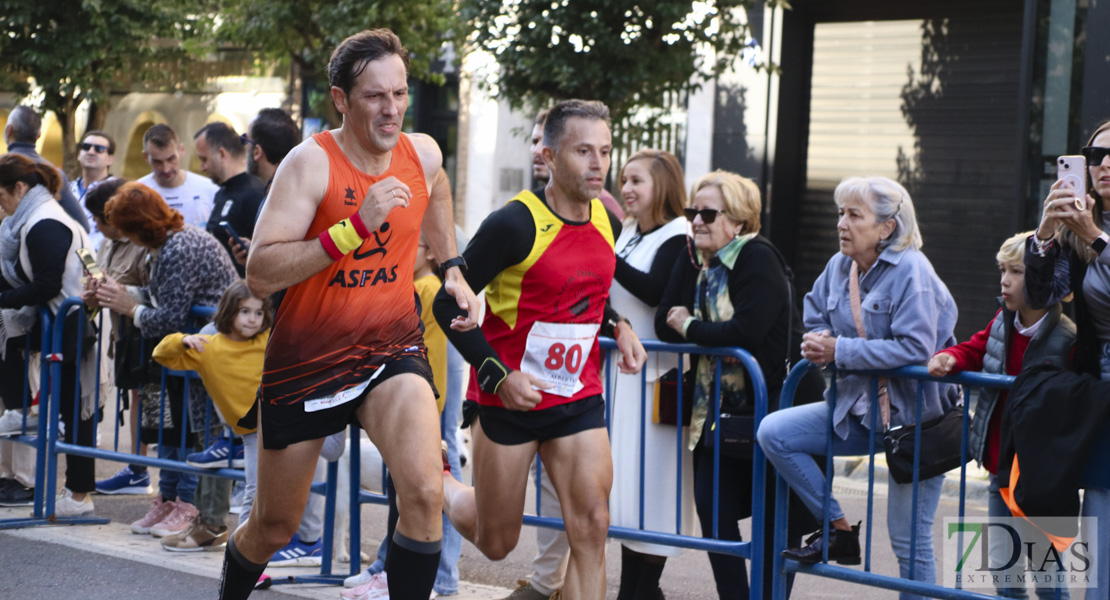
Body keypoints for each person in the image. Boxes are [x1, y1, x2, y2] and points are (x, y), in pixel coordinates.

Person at [218, 29, 477, 600]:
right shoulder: (309, 164)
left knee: (425, 494)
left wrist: (454, 265)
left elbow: (434, 189)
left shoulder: (421, 152)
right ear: (340, 99)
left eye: (400, 94)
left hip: (391, 345)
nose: (392, 110)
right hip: (307, 359)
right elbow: (260, 272)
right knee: (275, 526)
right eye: (375, 97)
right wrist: (353, 227)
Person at [435, 99, 647, 600]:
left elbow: (585, 293)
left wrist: (620, 325)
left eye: (605, 151)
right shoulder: (514, 224)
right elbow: (449, 307)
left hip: (576, 398)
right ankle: (441, 481)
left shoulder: (607, 223)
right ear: (549, 156)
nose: (598, 164)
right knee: (496, 541)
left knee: (593, 525)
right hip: (511, 401)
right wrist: (497, 376)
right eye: (583, 151)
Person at [757, 176, 958, 600]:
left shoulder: (913, 271)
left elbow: (914, 348)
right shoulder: (838, 265)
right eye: (840, 214)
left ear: (886, 227)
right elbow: (813, 314)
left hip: (917, 422)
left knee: (909, 541)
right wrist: (817, 340)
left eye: (854, 215)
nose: (841, 224)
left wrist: (839, 349)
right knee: (774, 432)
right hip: (856, 410)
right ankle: (837, 530)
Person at [655, 170, 820, 600]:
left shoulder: (756, 257)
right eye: (693, 211)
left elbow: (745, 330)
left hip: (772, 417)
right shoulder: (702, 260)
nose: (696, 221)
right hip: (716, 418)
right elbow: (663, 322)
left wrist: (693, 326)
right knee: (715, 520)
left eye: (709, 213)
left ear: (740, 221)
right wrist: (705, 329)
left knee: (773, 526)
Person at [928, 231, 1075, 599]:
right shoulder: (1002, 321)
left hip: (1040, 479)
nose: (1004, 280)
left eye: (1016, 272)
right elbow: (976, 348)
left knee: (1047, 578)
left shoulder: (1068, 337)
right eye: (1002, 270)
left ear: (1043, 277)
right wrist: (951, 357)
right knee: (1002, 572)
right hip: (1000, 467)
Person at [88, 182, 238, 539]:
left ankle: (204, 518)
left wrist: (130, 306)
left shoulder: (179, 247)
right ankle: (171, 500)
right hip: (181, 354)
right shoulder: (167, 243)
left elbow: (170, 315)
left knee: (204, 438)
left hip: (206, 354)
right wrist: (125, 294)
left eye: (127, 231)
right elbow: (165, 297)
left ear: (140, 228)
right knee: (169, 429)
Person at [344, 212, 465, 599]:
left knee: (427, 487)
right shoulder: (414, 286)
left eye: (409, 244)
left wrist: (431, 404)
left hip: (428, 402)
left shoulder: (430, 289)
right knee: (404, 486)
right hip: (417, 401)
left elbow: (435, 354)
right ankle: (390, 566)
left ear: (430, 252)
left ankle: (438, 576)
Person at [1024, 119, 1110, 600]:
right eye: (1096, 155)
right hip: (1100, 386)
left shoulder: (1091, 231)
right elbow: (1038, 300)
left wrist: (1096, 236)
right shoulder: (1077, 229)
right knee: (1100, 511)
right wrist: (1046, 232)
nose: (1105, 164)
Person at [608, 149, 693, 600]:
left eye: (636, 180)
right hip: (622, 376)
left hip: (657, 379)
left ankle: (643, 590)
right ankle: (635, 591)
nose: (627, 189)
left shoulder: (679, 236)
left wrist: (605, 255)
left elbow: (656, 291)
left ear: (661, 184)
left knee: (653, 488)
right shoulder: (627, 233)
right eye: (624, 180)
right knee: (626, 492)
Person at [0, 153, 96, 516]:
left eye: (2, 195)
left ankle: (78, 496)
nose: (0, 204)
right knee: (6, 335)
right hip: (57, 321)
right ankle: (25, 407)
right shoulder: (30, 219)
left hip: (73, 323)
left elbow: (45, 283)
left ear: (20, 187)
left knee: (78, 410)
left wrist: (3, 300)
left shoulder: (45, 222)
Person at [150, 280, 272, 552]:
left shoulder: (268, 338)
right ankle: (244, 553)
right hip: (252, 433)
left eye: (259, 312)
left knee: (289, 490)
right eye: (245, 311)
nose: (253, 319)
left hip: (283, 423)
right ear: (229, 311)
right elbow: (161, 354)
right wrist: (182, 339)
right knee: (254, 492)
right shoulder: (209, 346)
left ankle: (280, 547)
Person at [82, 179, 156, 496]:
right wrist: (92, 292)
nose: (97, 226)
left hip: (147, 337)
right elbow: (102, 285)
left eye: (100, 219)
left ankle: (152, 476)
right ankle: (137, 469)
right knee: (138, 399)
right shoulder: (107, 243)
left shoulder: (144, 242)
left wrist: (121, 293)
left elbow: (155, 293)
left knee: (156, 405)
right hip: (123, 339)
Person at [193, 122, 266, 276]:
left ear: (221, 154)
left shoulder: (254, 194)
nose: (202, 167)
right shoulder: (222, 192)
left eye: (204, 159)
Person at [4, 106, 90, 231]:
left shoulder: (3, 168)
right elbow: (82, 226)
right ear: (39, 135)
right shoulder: (55, 174)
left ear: (9, 131)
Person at [137, 124, 218, 229]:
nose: (166, 168)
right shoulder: (136, 193)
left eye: (171, 159)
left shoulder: (209, 189)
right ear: (146, 157)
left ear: (181, 150)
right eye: (157, 162)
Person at [71, 130, 118, 250]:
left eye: (99, 149)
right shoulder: (66, 189)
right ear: (79, 154)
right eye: (86, 147)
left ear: (110, 159)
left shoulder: (118, 192)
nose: (91, 152)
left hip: (98, 263)